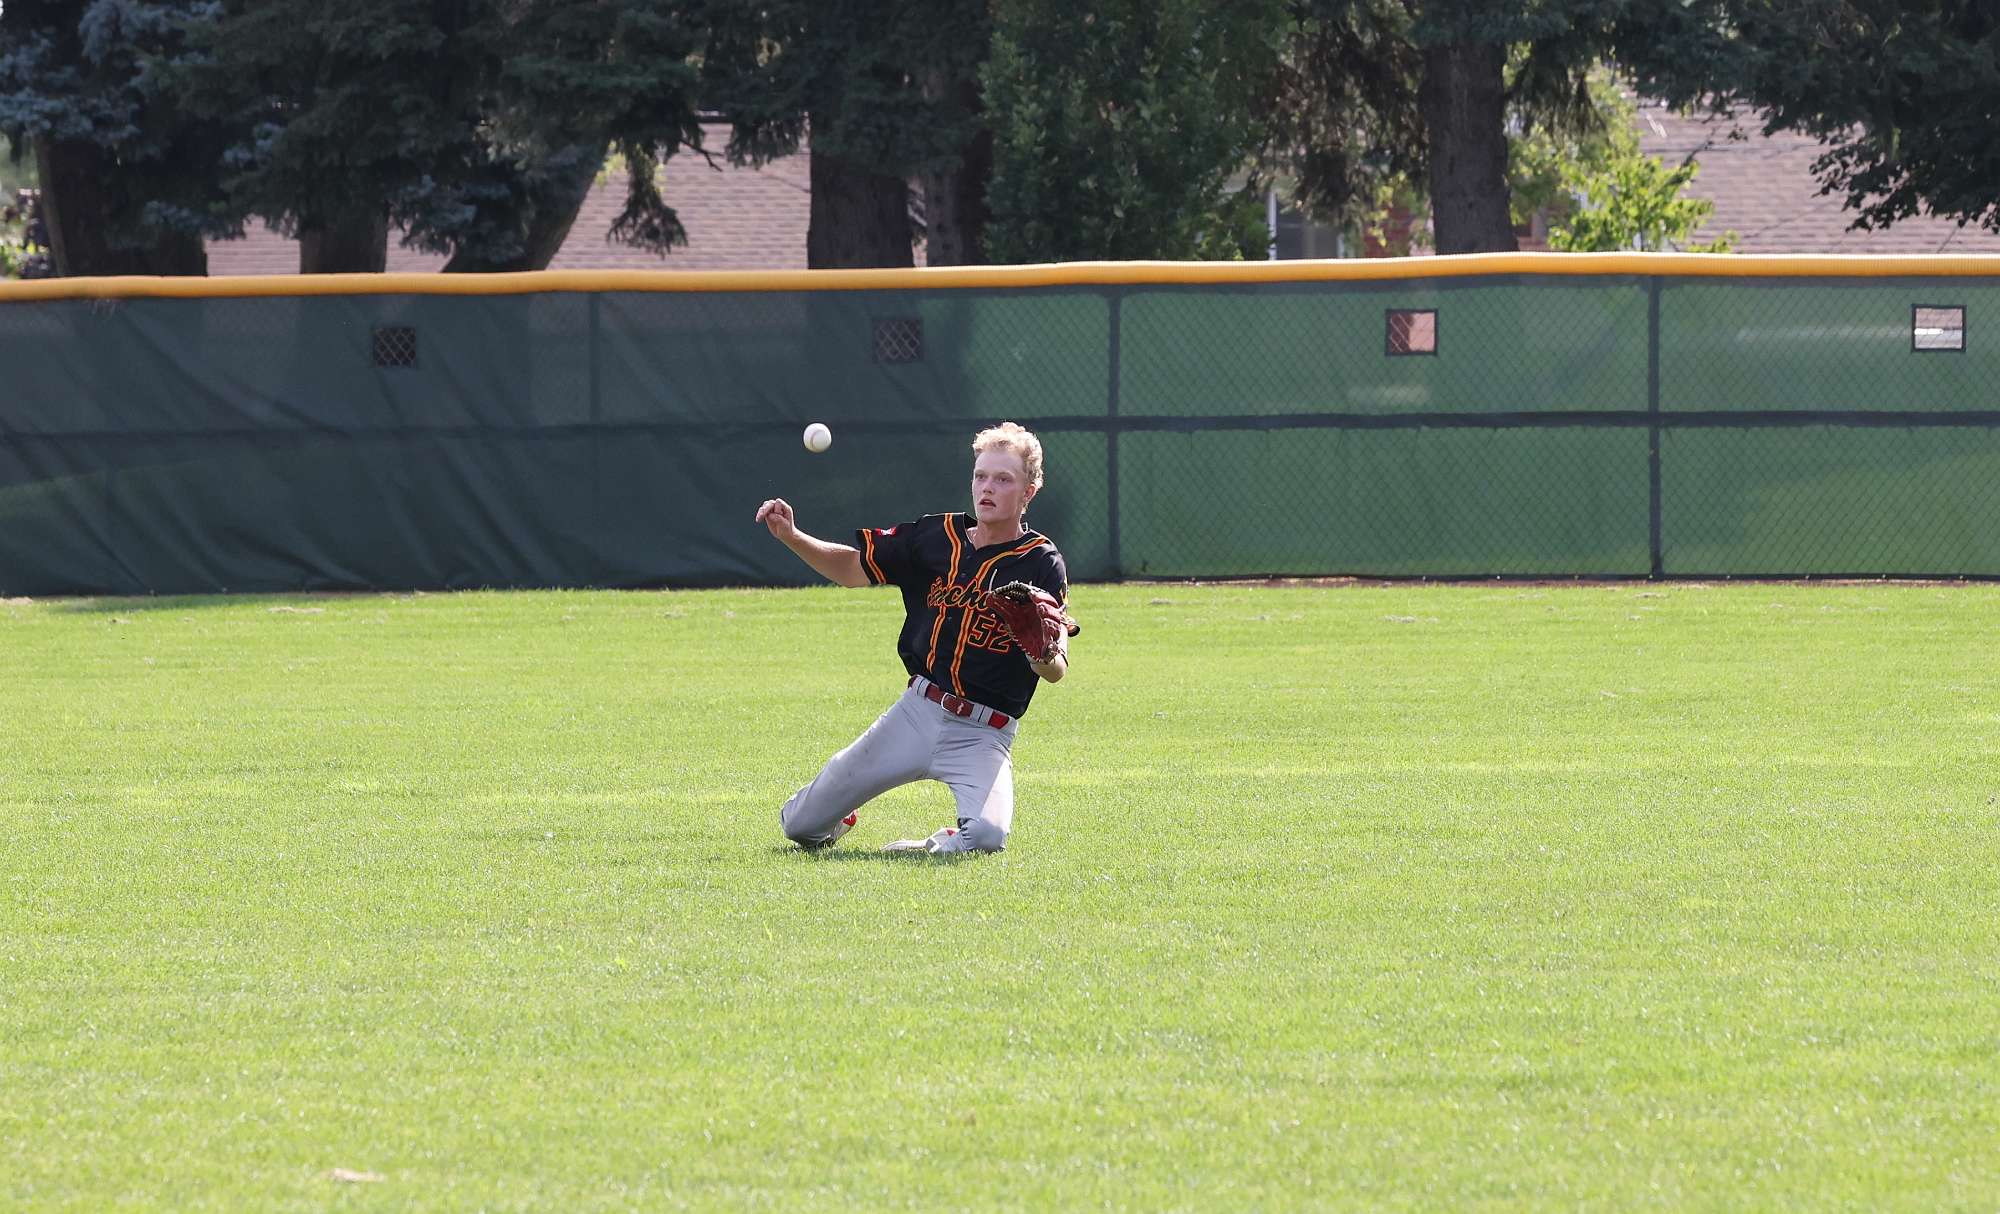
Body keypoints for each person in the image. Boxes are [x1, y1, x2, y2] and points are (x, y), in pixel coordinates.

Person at [755, 422, 1070, 854]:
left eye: (1003, 479)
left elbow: (1056, 669)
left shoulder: (1041, 562)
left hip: (983, 734)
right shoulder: (935, 537)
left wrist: (1041, 653)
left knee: (986, 836)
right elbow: (851, 569)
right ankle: (840, 814)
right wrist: (792, 537)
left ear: (1028, 492)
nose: (987, 487)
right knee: (799, 827)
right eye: (980, 475)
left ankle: (935, 843)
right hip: (917, 713)